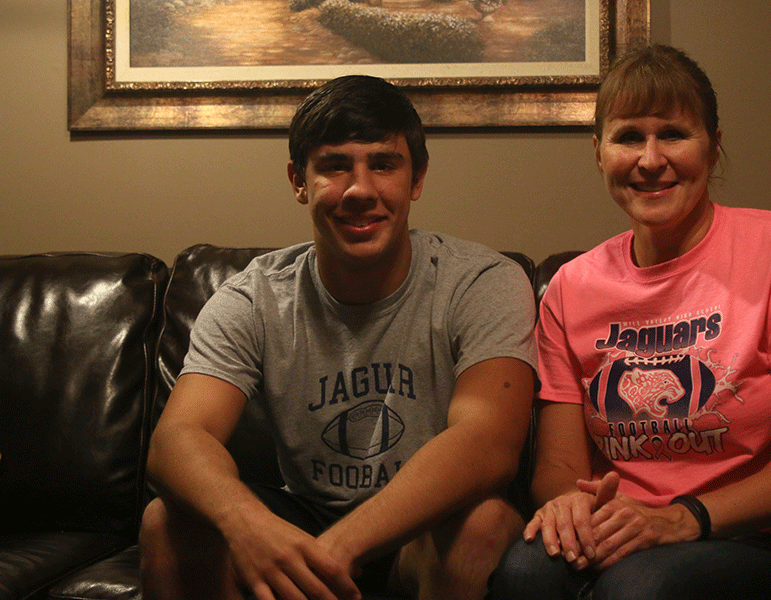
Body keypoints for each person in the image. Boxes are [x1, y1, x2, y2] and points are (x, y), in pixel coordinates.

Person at [487, 45, 771, 600]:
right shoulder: (571, 288)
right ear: (599, 153)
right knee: (523, 575)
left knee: (640, 587)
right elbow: (557, 465)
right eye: (627, 137)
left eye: (673, 133)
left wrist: (679, 518)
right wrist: (573, 506)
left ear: (714, 147)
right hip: (623, 529)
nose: (649, 159)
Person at [139, 74, 537, 600]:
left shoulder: (481, 280)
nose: (359, 190)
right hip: (305, 514)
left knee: (482, 526)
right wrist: (247, 525)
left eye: (383, 164)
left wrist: (332, 553)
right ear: (298, 180)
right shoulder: (254, 297)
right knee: (164, 524)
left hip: (429, 525)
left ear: (416, 178)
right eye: (334, 166)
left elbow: (488, 444)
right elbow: (176, 440)